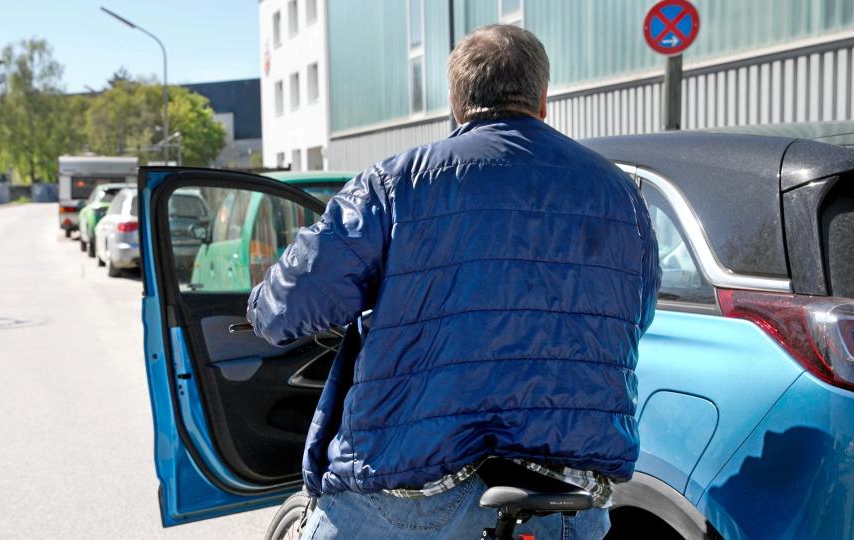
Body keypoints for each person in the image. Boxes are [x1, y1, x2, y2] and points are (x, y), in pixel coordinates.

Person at [247, 24, 660, 539]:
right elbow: (637, 314)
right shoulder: (623, 197)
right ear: (543, 99)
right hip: (563, 497)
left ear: (456, 103)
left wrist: (260, 303)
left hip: (410, 488)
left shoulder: (398, 184)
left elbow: (290, 305)